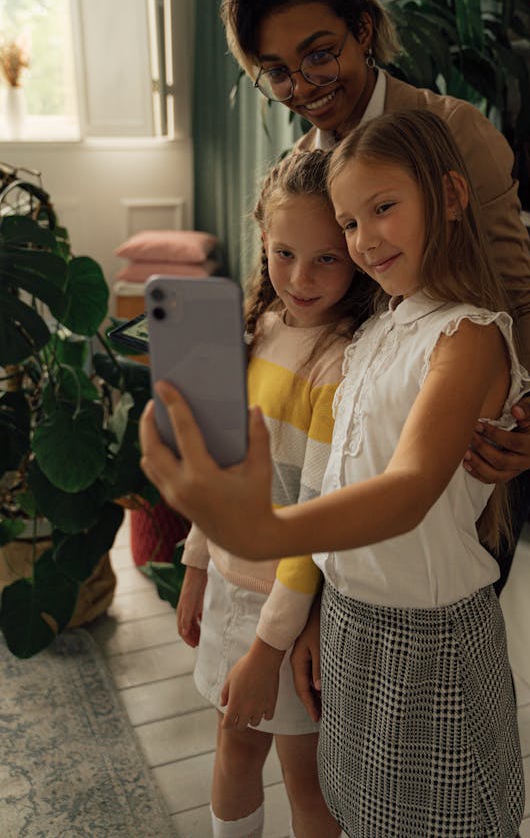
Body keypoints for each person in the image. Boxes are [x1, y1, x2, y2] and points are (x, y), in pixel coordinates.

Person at [141, 109, 530, 837]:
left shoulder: (469, 335)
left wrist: (264, 527)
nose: (366, 239)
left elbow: (408, 488)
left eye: (382, 209)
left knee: (447, 821)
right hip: (354, 624)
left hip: (430, 640)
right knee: (361, 814)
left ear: (449, 196)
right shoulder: (381, 327)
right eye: (352, 223)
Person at [220, 0, 530, 589]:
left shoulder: (454, 133)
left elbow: (522, 295)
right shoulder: (299, 165)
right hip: (355, 444)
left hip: (462, 448)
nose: (304, 87)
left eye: (320, 54)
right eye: (278, 72)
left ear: (362, 30)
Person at [175, 149, 370, 838]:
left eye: (326, 258)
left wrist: (267, 648)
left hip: (288, 614)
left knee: (304, 779)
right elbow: (223, 467)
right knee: (232, 747)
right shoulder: (258, 331)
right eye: (285, 253)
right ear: (263, 241)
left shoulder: (344, 362)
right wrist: (197, 565)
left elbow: (315, 524)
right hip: (230, 588)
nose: (301, 277)